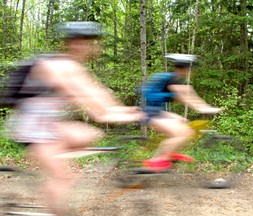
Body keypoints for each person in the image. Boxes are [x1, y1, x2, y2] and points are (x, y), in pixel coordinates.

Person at [6, 21, 144, 215]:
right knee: (64, 178)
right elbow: (96, 110)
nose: (89, 46)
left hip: (48, 126)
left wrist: (125, 110)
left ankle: (53, 164)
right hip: (32, 129)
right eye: (84, 41)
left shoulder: (73, 67)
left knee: (88, 134)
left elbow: (100, 96)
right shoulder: (59, 67)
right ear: (73, 43)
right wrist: (122, 115)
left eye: (91, 42)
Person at [141, 54, 221, 172]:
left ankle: (166, 155)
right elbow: (187, 98)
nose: (192, 71)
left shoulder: (175, 79)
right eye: (191, 69)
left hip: (155, 111)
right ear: (186, 69)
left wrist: (205, 107)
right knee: (185, 133)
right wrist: (205, 109)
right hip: (151, 112)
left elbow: (191, 96)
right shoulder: (173, 80)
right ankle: (157, 161)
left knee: (183, 122)